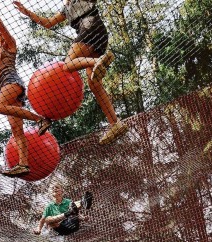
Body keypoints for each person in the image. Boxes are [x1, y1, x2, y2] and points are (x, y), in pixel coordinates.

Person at [14, 0, 128, 145]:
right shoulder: (66, 9)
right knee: (94, 84)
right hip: (99, 35)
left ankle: (98, 61)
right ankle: (115, 123)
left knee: (68, 64)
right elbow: (49, 23)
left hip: (89, 28)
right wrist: (26, 12)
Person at [0, 16, 53, 177]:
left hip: (12, 83)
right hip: (8, 90)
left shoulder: (10, 46)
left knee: (0, 108)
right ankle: (23, 164)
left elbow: (2, 28)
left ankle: (40, 120)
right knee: (17, 131)